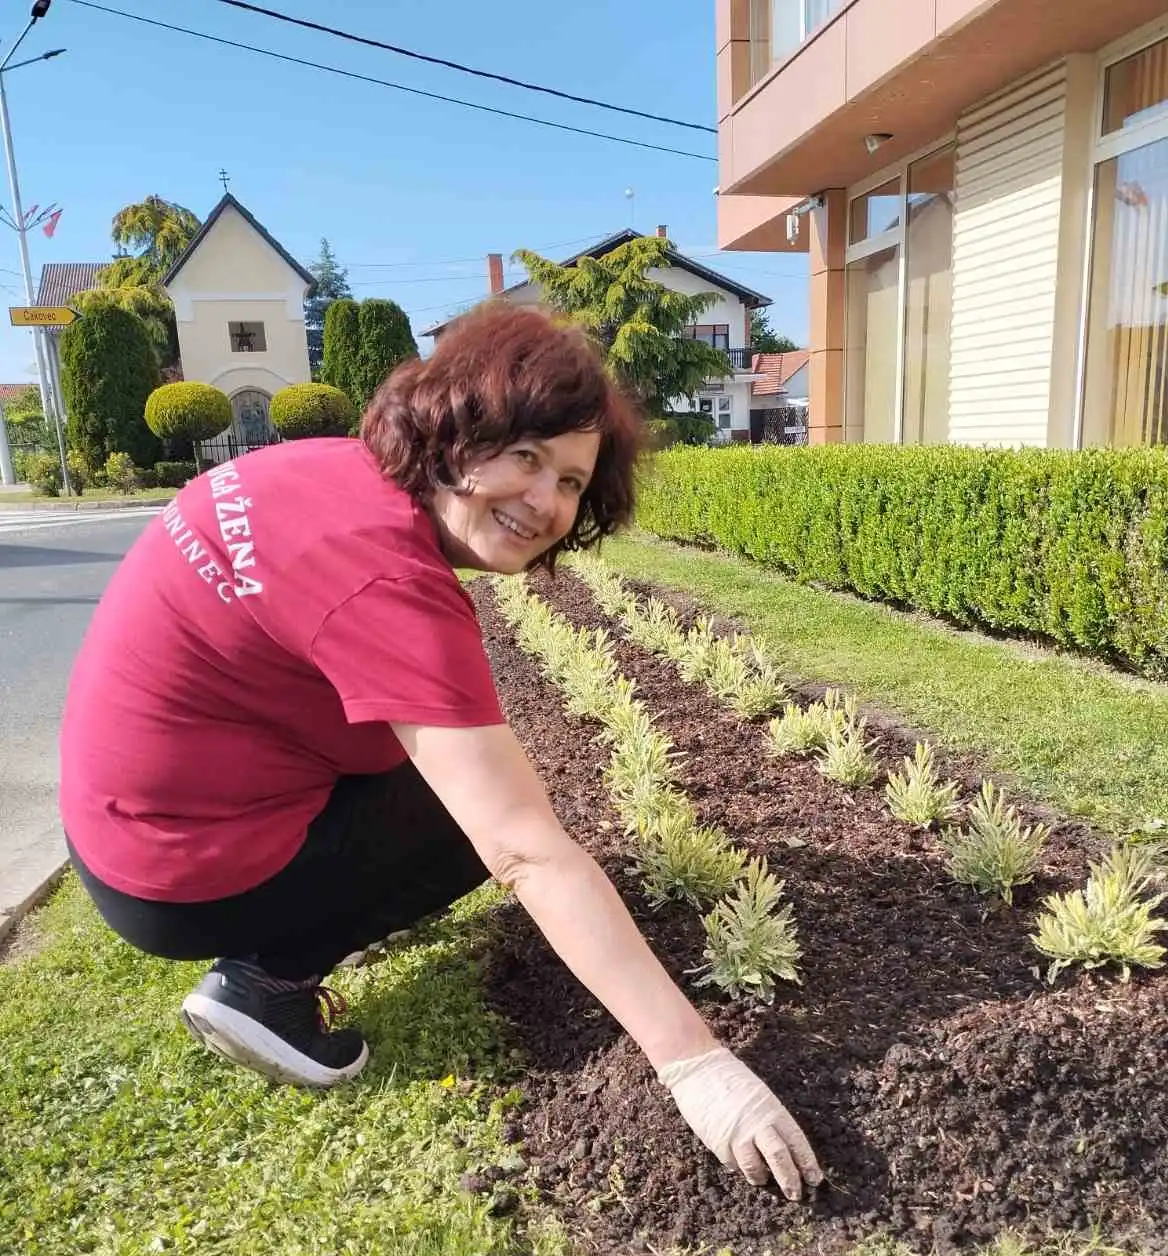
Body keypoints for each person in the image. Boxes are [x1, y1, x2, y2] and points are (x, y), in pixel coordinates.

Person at [60, 305, 823, 1200]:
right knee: (485, 815)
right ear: (456, 430)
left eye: (573, 482)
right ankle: (267, 977)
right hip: (177, 874)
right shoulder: (385, 579)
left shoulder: (322, 469)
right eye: (526, 456)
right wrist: (696, 1065)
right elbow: (521, 849)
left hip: (115, 822)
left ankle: (279, 921)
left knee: (456, 772)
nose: (547, 502)